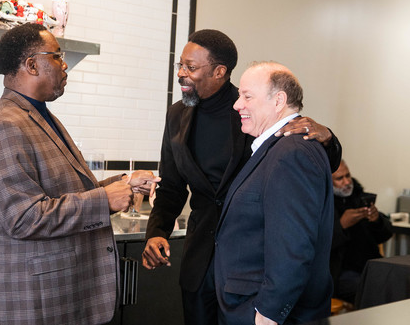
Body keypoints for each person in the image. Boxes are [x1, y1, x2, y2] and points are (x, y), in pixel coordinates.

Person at [142, 29, 341, 324]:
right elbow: (171, 185)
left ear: (219, 71)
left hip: (250, 267)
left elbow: (304, 164)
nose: (182, 74)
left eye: (191, 68)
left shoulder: (252, 113)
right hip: (200, 259)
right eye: (180, 66)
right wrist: (157, 231)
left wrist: (328, 138)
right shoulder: (176, 116)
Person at [0, 23, 160, 325]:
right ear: (31, 65)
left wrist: (124, 183)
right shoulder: (6, 125)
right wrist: (104, 201)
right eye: (56, 56)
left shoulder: (39, 115)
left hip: (63, 296)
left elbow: (66, 192)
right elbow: (23, 218)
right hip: (35, 303)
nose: (64, 63)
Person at [215, 62, 334, 325]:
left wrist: (266, 314)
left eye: (247, 96)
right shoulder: (277, 148)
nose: (237, 105)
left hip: (263, 313)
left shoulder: (291, 153)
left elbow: (294, 247)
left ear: (278, 100)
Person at [330, 160, 393, 304]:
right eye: (340, 178)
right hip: (340, 272)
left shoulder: (360, 198)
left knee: (399, 279)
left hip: (371, 264)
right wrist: (341, 225)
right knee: (373, 289)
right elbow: (318, 244)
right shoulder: (322, 205)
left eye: (348, 176)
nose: (347, 182)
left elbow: (385, 234)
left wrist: (376, 220)